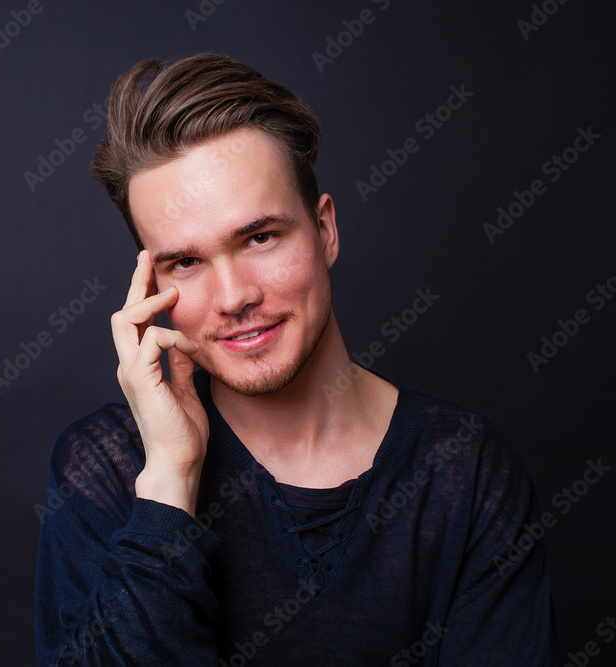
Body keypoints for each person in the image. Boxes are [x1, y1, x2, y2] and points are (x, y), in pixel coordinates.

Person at [35, 53, 555, 665]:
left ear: (325, 230)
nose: (234, 298)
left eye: (260, 237)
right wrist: (171, 479)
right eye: (186, 262)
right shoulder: (104, 468)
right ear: (150, 285)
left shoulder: (465, 469)